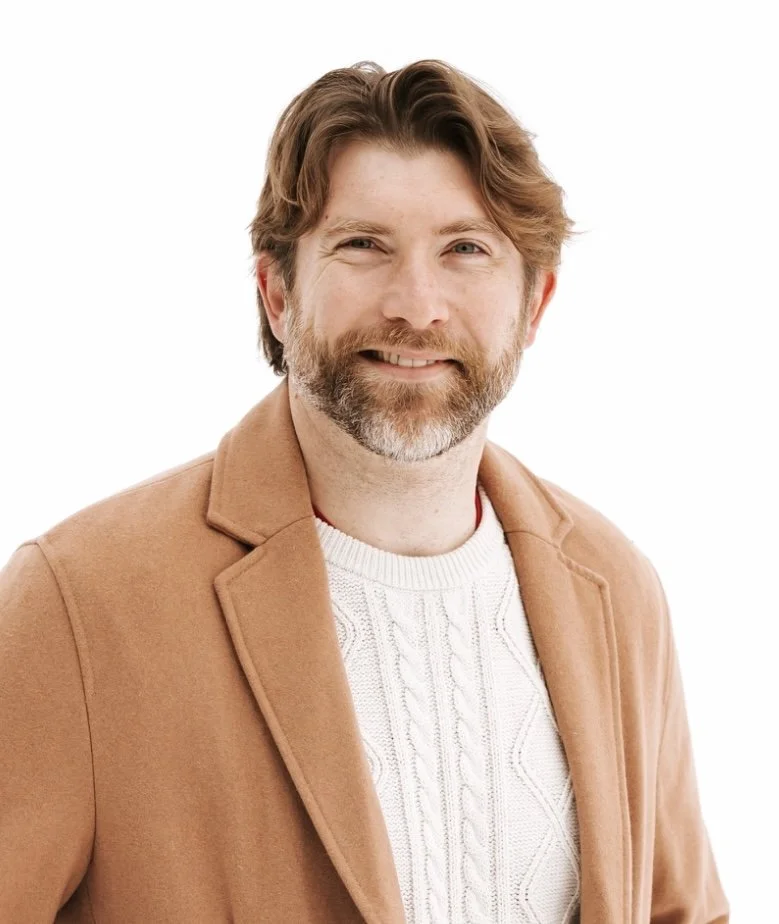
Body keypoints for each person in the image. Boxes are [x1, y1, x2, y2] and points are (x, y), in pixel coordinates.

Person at [0, 59, 729, 924]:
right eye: (363, 245)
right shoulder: (81, 600)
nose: (416, 305)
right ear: (276, 293)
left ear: (535, 305)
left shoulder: (615, 587)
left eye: (465, 249)